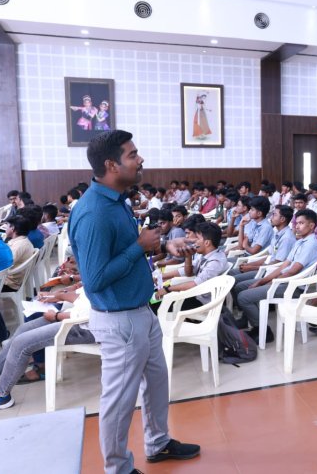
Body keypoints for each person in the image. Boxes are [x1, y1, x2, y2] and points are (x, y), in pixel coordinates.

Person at [68, 130, 199, 474]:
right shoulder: (95, 213)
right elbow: (95, 278)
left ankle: (157, 442)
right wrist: (138, 247)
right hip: (119, 318)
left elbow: (131, 247)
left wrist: (161, 246)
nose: (140, 159)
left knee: (156, 382)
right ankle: (118, 467)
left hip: (141, 310)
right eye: (133, 154)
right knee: (120, 399)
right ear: (111, 164)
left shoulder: (117, 200)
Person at [0, 288, 95, 412]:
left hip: (87, 326)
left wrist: (57, 316)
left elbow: (94, 310)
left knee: (21, 344)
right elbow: (86, 296)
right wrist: (58, 296)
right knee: (23, 330)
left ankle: (0, 395)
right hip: (78, 315)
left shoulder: (99, 269)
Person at [236, 209, 317, 344]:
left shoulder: (310, 244)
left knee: (244, 296)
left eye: (301, 223)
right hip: (283, 281)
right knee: (240, 287)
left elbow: (293, 271)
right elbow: (283, 266)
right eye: (296, 223)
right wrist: (263, 281)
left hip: (292, 287)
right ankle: (252, 322)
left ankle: (263, 332)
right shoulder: (300, 241)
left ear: (311, 226)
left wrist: (270, 283)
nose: (297, 226)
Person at [154, 221, 227, 310]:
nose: (194, 242)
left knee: (156, 304)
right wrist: (188, 256)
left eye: (197, 239)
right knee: (155, 294)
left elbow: (195, 284)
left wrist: (168, 289)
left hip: (202, 301)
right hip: (194, 293)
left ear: (207, 243)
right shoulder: (203, 254)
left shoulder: (215, 262)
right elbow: (188, 272)